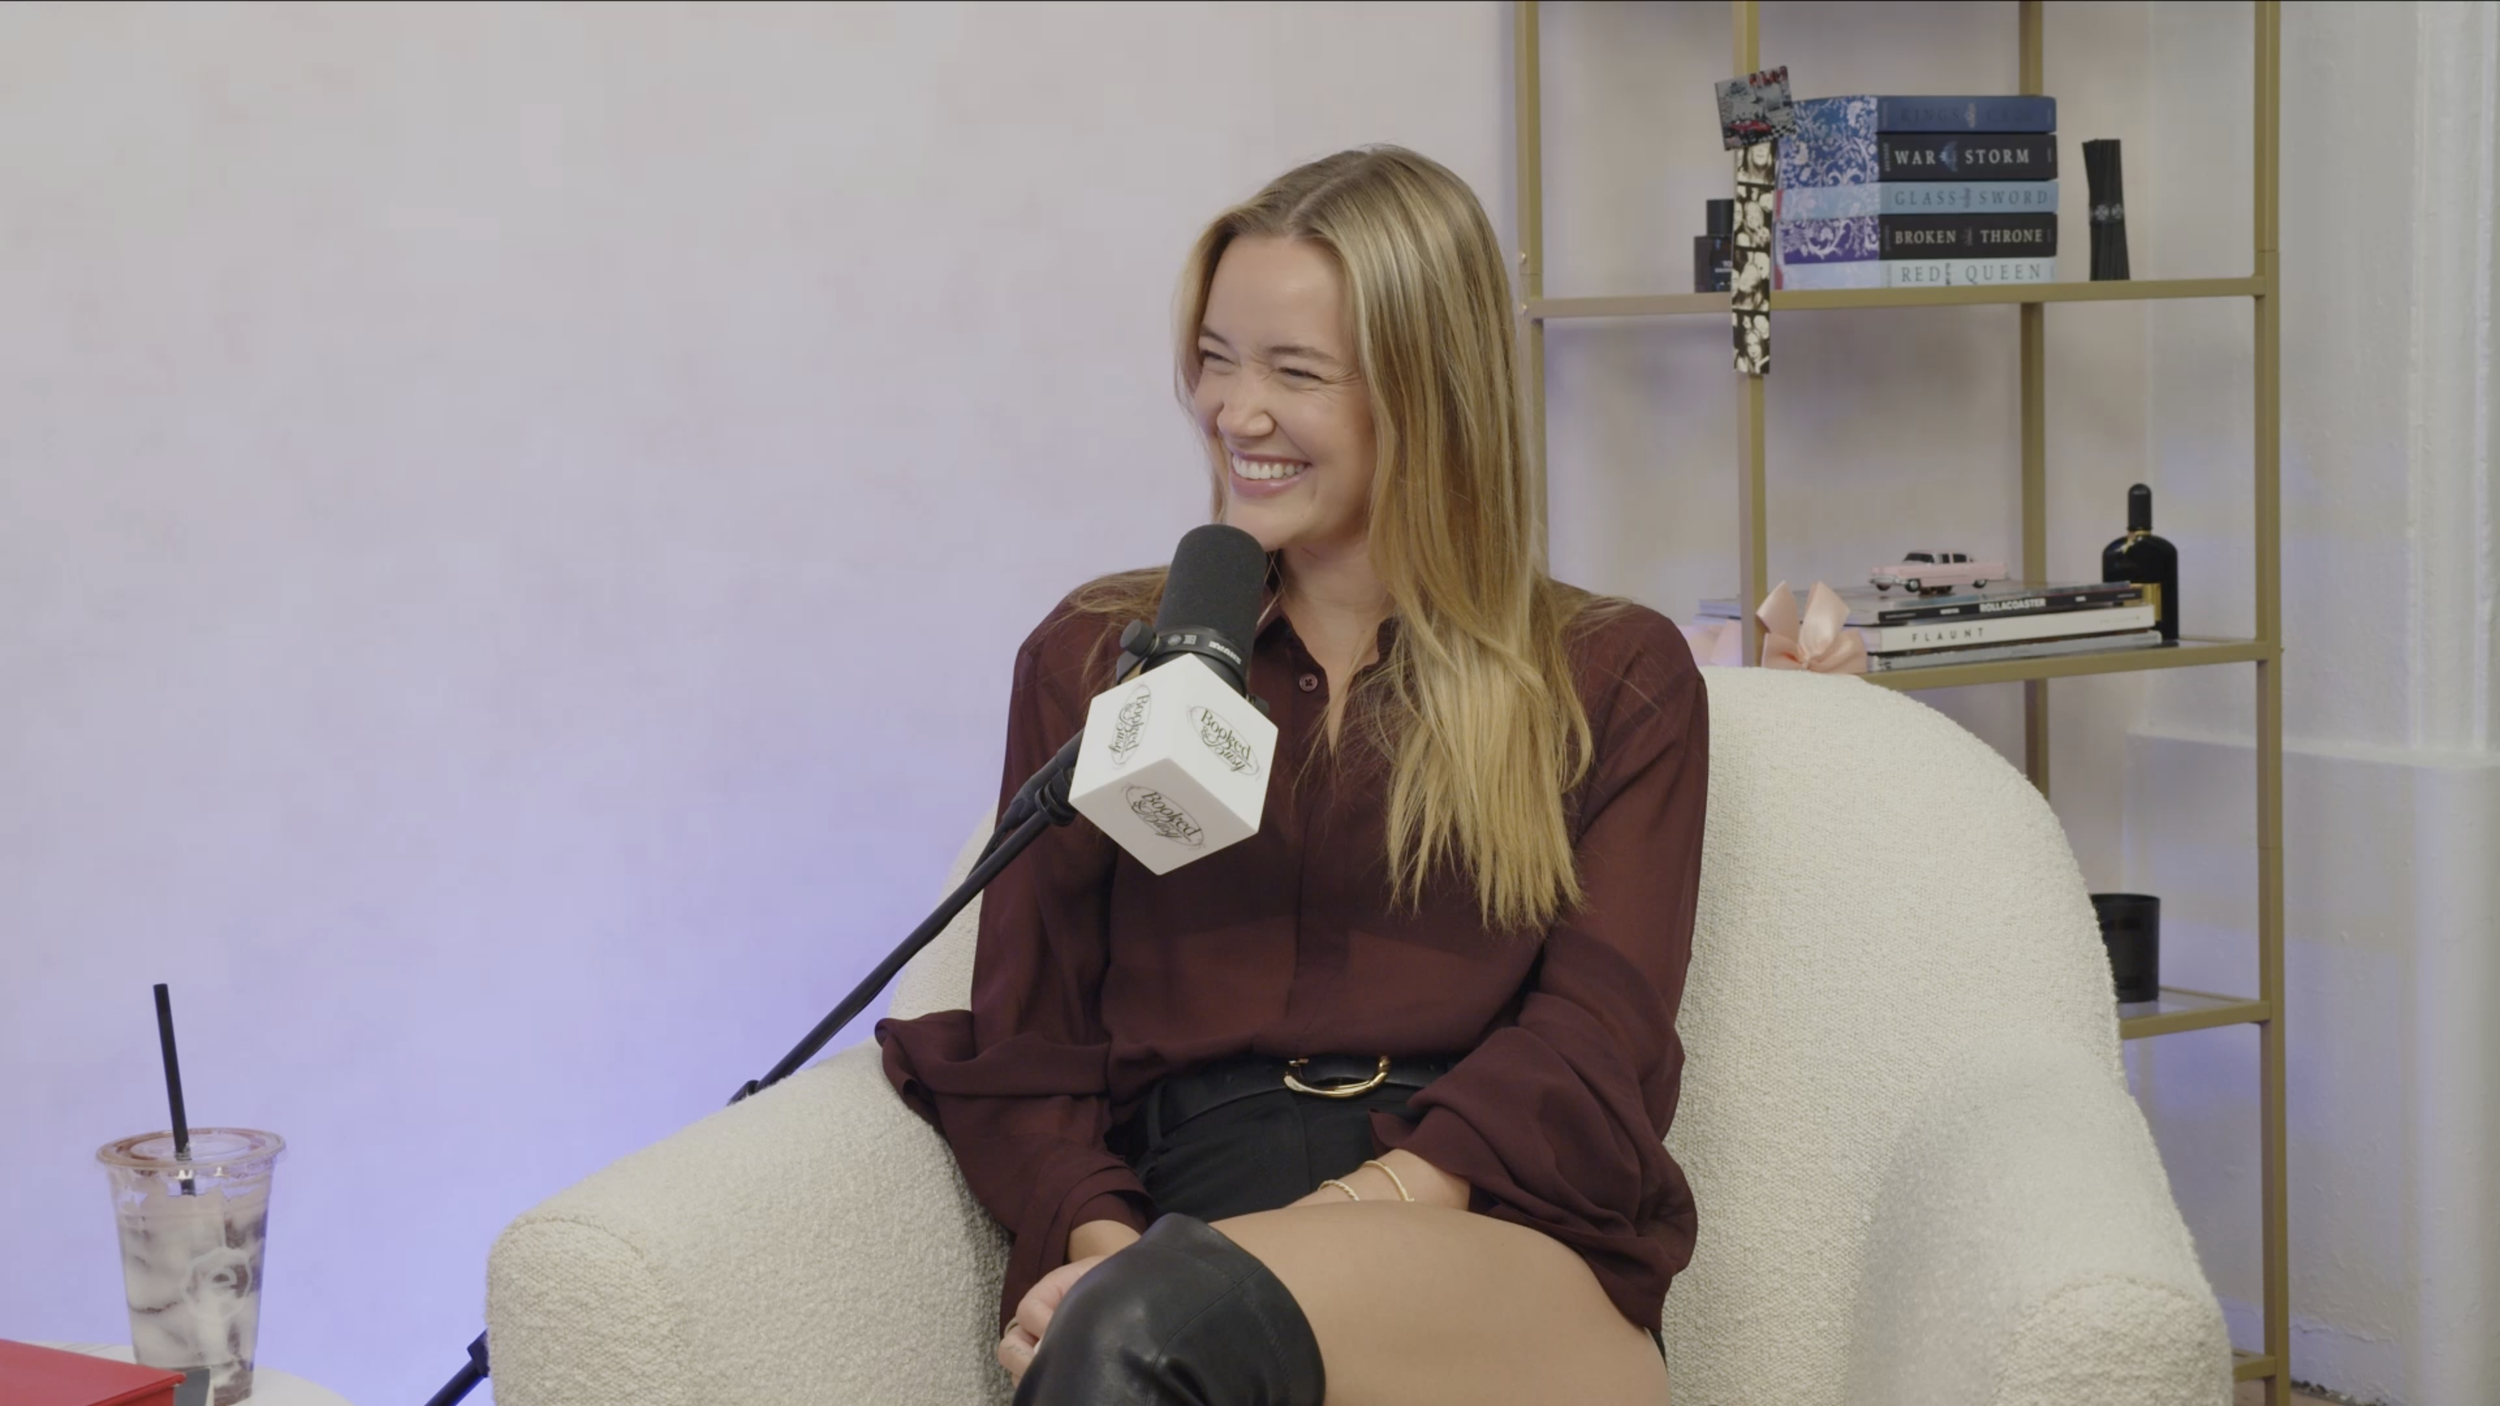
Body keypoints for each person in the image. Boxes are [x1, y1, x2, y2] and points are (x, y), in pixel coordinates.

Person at [875, 145, 1703, 1406]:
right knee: (1143, 1327)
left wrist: (1312, 1226)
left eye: (1294, 372)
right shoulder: (1094, 658)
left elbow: (1599, 1038)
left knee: (1150, 1323)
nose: (1235, 411)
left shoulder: (1609, 673)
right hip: (1184, 1232)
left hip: (1489, 1237)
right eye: (1215, 358)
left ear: (1427, 392)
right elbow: (1031, 1032)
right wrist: (1097, 1244)